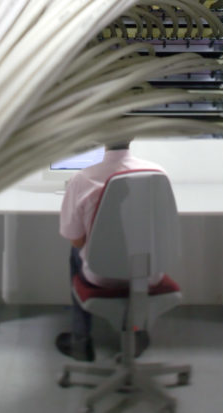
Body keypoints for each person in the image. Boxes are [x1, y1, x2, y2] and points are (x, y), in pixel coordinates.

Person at [55, 140, 170, 362]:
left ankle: (81, 340)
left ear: (101, 139)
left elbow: (77, 241)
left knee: (75, 254)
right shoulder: (157, 173)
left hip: (102, 275)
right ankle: (136, 334)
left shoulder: (82, 179)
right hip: (149, 273)